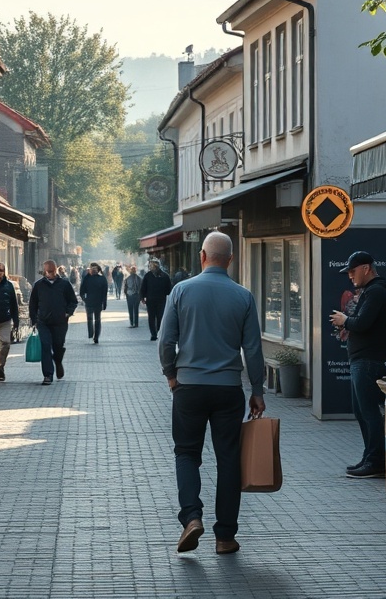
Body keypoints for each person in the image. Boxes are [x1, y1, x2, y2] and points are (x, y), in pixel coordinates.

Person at [158, 231, 266, 555]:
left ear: (202, 256)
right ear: (230, 260)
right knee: (229, 460)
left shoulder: (180, 291)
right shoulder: (243, 296)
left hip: (189, 388)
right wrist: (257, 390)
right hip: (228, 389)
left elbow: (166, 341)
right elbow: (254, 350)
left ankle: (191, 517)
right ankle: (225, 537)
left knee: (187, 454)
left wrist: (171, 375)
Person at [329, 251, 386, 479]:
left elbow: (364, 323)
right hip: (362, 359)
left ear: (366, 268)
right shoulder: (371, 291)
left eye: (352, 271)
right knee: (361, 411)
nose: (350, 276)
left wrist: (345, 320)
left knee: (368, 412)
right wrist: (347, 324)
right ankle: (370, 457)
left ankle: (376, 461)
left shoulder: (377, 291)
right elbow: (363, 324)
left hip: (367, 361)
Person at [28, 259, 78, 385]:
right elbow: (32, 304)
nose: (50, 273)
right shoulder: (39, 285)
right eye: (47, 271)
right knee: (45, 346)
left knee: (58, 346)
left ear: (56, 269)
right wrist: (34, 320)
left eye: (52, 271)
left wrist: (68, 312)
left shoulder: (64, 284)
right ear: (44, 271)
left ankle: (58, 360)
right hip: (43, 322)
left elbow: (73, 301)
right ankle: (48, 375)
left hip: (60, 322)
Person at [141, 259, 172, 341]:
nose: (149, 267)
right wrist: (142, 297)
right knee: (151, 317)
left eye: (151, 265)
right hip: (150, 300)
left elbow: (169, 289)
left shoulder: (165, 276)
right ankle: (153, 334)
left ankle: (159, 331)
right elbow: (143, 287)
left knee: (160, 317)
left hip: (161, 300)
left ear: (156, 266)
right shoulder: (148, 276)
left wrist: (169, 299)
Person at [79, 262, 108, 344]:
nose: (93, 270)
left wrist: (104, 303)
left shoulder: (102, 279)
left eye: (95, 269)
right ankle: (91, 334)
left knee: (97, 320)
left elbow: (104, 292)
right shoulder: (86, 278)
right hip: (89, 302)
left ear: (98, 270)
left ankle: (96, 337)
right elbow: (82, 291)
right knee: (89, 319)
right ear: (89, 270)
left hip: (98, 302)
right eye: (92, 269)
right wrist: (85, 299)